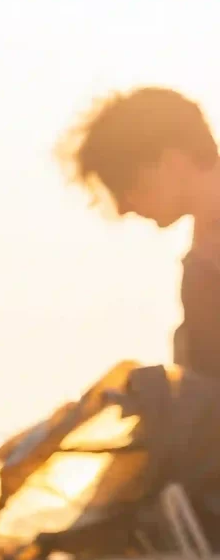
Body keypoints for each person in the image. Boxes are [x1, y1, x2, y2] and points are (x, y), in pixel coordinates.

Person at [61, 87, 220, 373]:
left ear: (173, 161)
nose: (123, 207)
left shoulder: (205, 270)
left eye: (125, 182)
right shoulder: (202, 261)